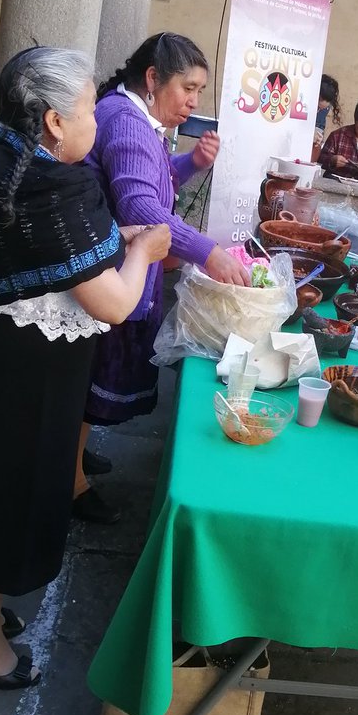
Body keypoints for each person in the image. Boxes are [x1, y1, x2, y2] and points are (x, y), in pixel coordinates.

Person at [0, 47, 171, 689]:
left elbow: (70, 255)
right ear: (53, 122)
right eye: (89, 110)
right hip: (22, 380)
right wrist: (146, 250)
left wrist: (115, 247)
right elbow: (115, 301)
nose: (96, 123)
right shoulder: (52, 191)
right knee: (7, 494)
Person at [76, 33, 250, 524]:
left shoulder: (135, 120)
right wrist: (207, 251)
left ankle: (76, 454)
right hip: (108, 275)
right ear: (153, 79)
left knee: (88, 384)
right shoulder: (128, 124)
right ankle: (70, 482)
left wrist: (192, 162)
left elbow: (147, 178)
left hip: (112, 269)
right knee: (88, 377)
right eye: (188, 88)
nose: (194, 101)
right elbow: (141, 208)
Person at [311, 73, 341, 162]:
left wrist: (317, 144)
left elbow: (313, 159)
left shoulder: (323, 111)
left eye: (320, 109)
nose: (318, 111)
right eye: (317, 106)